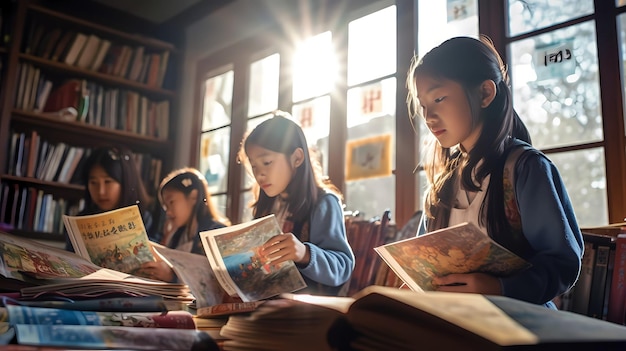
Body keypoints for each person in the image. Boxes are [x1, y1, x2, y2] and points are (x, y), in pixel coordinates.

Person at [406, 35, 584, 308]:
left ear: (485, 93)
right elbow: (423, 263)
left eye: (439, 98)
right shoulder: (442, 186)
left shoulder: (525, 168)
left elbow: (563, 263)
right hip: (457, 324)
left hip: (520, 325)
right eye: (423, 106)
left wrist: (500, 287)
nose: (429, 117)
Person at [239, 111, 355, 296]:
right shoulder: (265, 207)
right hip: (266, 306)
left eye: (267, 162)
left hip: (306, 313)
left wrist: (304, 253)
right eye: (254, 165)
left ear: (297, 158)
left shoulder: (323, 203)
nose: (259, 174)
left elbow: (342, 267)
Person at [137, 167, 230, 282]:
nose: (168, 212)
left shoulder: (217, 231)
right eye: (165, 206)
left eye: (171, 202)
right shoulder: (177, 235)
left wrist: (173, 276)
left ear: (193, 197)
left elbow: (213, 280)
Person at [65, 146, 159, 252]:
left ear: (125, 183)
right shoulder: (80, 222)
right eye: (93, 183)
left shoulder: (145, 220)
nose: (101, 191)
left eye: (108, 181)